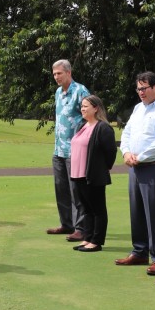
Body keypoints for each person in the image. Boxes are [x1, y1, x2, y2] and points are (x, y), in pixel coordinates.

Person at [114, 72, 155, 274]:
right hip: (135, 165)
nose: (140, 92)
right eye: (138, 88)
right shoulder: (138, 108)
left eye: (144, 88)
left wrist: (140, 156)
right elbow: (127, 133)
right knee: (136, 211)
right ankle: (139, 251)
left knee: (154, 213)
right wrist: (126, 151)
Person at [46, 59, 90, 240]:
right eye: (54, 74)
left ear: (68, 73)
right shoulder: (58, 92)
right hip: (59, 149)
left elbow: (90, 115)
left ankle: (81, 228)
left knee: (76, 191)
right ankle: (66, 224)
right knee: (61, 188)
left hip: (75, 150)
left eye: (59, 73)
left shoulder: (80, 91)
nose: (56, 77)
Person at [69, 95, 117, 251]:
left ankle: (96, 241)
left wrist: (103, 168)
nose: (82, 109)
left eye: (86, 106)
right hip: (77, 175)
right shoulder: (82, 126)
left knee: (97, 209)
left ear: (96, 108)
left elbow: (110, 152)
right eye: (82, 106)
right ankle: (87, 238)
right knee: (86, 209)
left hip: (92, 175)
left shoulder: (103, 128)